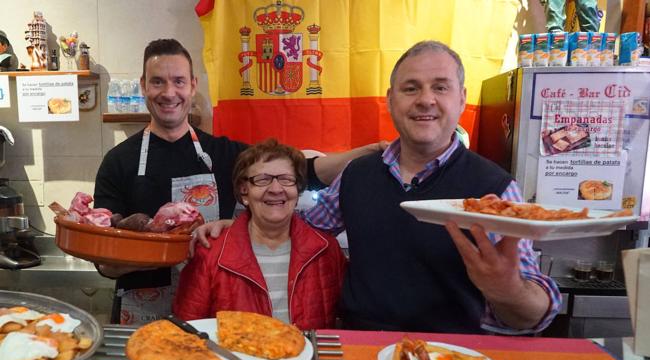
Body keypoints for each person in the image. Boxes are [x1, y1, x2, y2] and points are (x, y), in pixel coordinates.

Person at [198, 40, 561, 334]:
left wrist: (508, 292)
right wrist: (245, 228)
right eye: (411, 88)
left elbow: (533, 314)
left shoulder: (494, 190)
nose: (425, 99)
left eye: (440, 87)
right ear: (391, 100)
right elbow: (302, 232)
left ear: (461, 98)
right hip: (360, 354)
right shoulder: (357, 176)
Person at [93, 38, 380, 325]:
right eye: (158, 82)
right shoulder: (118, 162)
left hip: (212, 313)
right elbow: (104, 260)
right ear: (143, 86)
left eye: (178, 81)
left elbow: (306, 171)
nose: (169, 92)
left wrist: (371, 152)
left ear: (192, 85)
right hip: (142, 311)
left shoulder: (225, 153)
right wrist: (162, 250)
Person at [173, 139, 346, 329]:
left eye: (286, 179)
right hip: (236, 359)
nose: (275, 189)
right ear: (244, 191)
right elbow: (186, 331)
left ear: (298, 189)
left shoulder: (327, 251)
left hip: (309, 358)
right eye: (262, 180)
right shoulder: (209, 253)